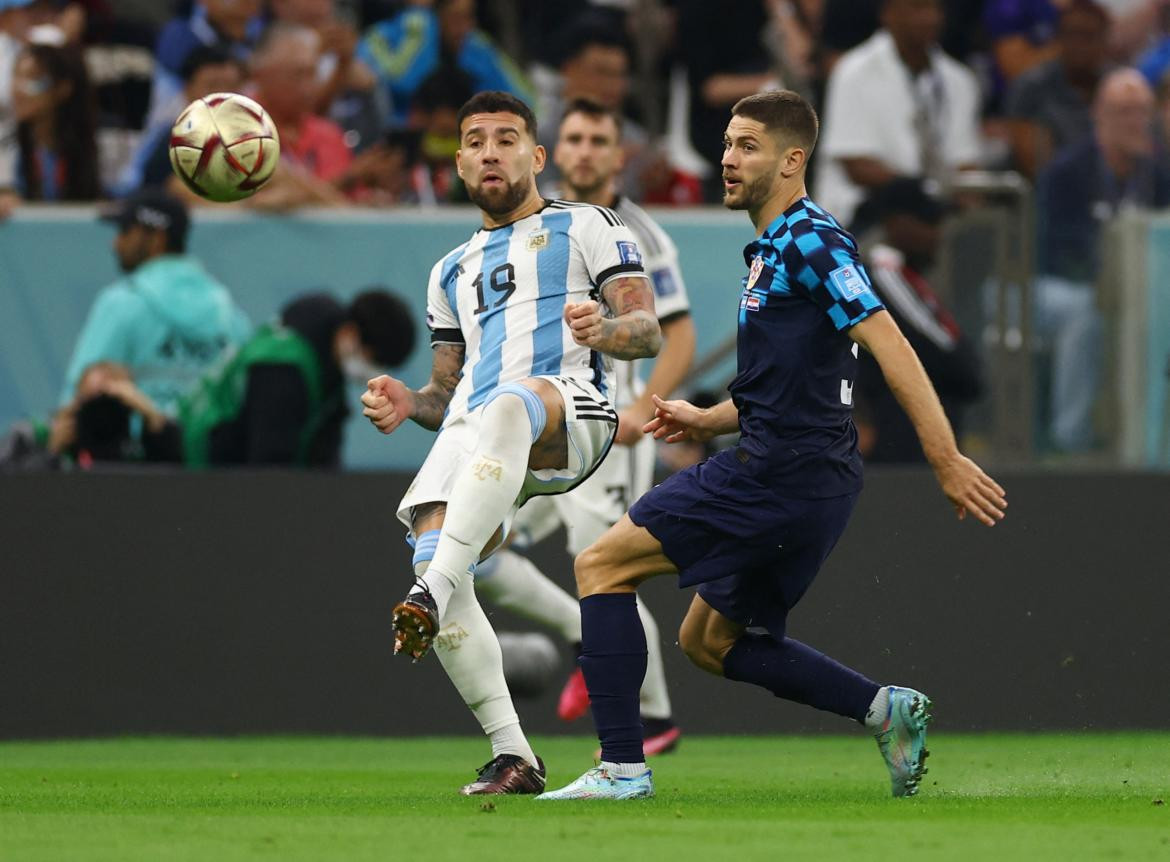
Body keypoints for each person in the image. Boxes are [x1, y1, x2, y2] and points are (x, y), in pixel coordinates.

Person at [538, 90, 1006, 802]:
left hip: (781, 473)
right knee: (707, 643)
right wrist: (706, 419)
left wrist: (944, 458)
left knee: (600, 564)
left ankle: (622, 768)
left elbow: (889, 344)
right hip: (804, 472)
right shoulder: (778, 248)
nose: (727, 158)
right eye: (726, 143)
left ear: (793, 161)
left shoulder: (812, 239)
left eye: (747, 146)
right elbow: (794, 382)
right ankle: (885, 709)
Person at [359, 90, 660, 796]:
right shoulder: (449, 270)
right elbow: (446, 394)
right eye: (474, 141)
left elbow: (644, 329)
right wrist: (410, 404)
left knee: (512, 405)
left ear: (537, 155)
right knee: (437, 548)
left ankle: (426, 595)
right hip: (482, 426)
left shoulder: (589, 225)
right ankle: (513, 754)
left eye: (506, 138)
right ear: (459, 163)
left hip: (571, 408)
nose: (490, 151)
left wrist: (604, 333)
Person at [472, 98, 695, 756]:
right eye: (575, 137)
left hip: (605, 425)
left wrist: (641, 409)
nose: (587, 150)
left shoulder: (639, 233)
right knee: (479, 547)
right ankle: (578, 632)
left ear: (617, 154)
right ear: (552, 151)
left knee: (608, 567)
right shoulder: (530, 222)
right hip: (538, 417)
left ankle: (652, 719)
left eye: (601, 138)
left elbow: (676, 333)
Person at [1034, 68, 1170, 452]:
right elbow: (1051, 249)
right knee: (1085, 314)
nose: (1136, 122)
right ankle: (1070, 440)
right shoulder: (1068, 171)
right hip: (1050, 288)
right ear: (1099, 114)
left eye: (1143, 111)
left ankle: (1150, 443)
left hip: (1128, 292)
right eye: (1125, 111)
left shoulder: (1157, 176)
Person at [61, 189, 251, 415]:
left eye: (125, 231)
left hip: (135, 449)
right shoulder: (231, 315)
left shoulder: (121, 304)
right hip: (209, 448)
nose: (115, 244)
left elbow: (77, 400)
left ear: (157, 239)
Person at [181, 289, 414, 468]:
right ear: (351, 334)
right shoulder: (282, 370)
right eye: (374, 361)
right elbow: (269, 473)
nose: (373, 372)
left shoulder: (329, 375)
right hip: (202, 466)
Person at [815, 0, 983, 227]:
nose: (930, 18)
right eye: (918, 8)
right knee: (902, 220)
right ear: (888, 14)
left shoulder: (959, 80)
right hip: (860, 217)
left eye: (936, 9)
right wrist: (920, 190)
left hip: (936, 209)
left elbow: (965, 162)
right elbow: (856, 165)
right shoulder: (853, 71)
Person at [851, 178, 983, 462]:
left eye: (939, 221)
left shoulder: (902, 277)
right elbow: (955, 364)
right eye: (927, 221)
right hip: (896, 455)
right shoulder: (881, 276)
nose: (936, 233)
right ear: (894, 222)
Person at [358, 0, 531, 127]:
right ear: (438, 17)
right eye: (456, 18)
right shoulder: (382, 36)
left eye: (469, 17)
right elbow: (403, 83)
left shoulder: (476, 45)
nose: (464, 28)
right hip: (399, 140)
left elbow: (522, 101)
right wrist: (421, 24)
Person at [1, 360, 182, 470]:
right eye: (92, 401)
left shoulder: (140, 449)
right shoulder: (35, 436)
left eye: (113, 404)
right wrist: (52, 451)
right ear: (77, 401)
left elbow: (186, 474)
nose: (102, 416)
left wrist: (152, 416)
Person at [1004, 0, 1111, 179]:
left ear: (1105, 40)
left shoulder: (1118, 88)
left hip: (1116, 193)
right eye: (1071, 34)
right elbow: (1037, 166)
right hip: (1049, 196)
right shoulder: (1031, 87)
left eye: (1088, 36)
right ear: (1057, 38)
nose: (1079, 44)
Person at [119, 44, 243, 196]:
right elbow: (174, 187)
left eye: (232, 88)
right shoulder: (173, 140)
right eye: (212, 86)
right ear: (188, 89)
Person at [11, 40, 99, 203]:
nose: (17, 89)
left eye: (32, 78)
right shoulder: (11, 149)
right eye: (16, 75)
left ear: (63, 89)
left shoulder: (102, 147)